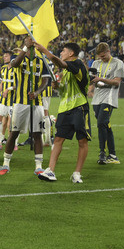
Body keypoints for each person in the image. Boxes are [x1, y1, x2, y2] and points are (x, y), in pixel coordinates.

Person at [36, 42, 91, 183]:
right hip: (64, 109)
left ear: (71, 53)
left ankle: (77, 173)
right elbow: (65, 91)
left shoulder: (78, 64)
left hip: (79, 107)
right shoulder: (66, 72)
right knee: (58, 139)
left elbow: (60, 63)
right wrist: (58, 87)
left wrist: (44, 50)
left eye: (63, 50)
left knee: (82, 141)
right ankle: (50, 170)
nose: (61, 53)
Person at [0, 38, 50, 176]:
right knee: (14, 132)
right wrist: (25, 48)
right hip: (20, 102)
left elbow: (45, 80)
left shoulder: (41, 61)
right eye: (28, 45)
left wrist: (37, 92)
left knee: (37, 134)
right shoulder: (18, 58)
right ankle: (6, 163)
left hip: (37, 102)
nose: (30, 47)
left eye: (32, 45)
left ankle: (39, 166)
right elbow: (14, 64)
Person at [89, 42, 124, 165]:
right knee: (105, 125)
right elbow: (93, 80)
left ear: (108, 51)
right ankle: (113, 155)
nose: (101, 59)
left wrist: (101, 79)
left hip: (109, 98)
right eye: (100, 57)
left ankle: (102, 153)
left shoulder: (118, 63)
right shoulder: (95, 63)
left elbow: (117, 82)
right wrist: (90, 85)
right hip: (96, 99)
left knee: (101, 123)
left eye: (103, 56)